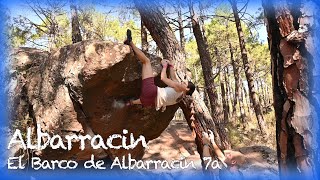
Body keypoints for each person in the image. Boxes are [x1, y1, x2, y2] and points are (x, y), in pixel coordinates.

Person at [124, 29, 195, 111]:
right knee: (143, 100)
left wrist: (165, 66)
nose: (182, 82)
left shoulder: (178, 87)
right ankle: (130, 103)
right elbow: (174, 78)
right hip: (149, 101)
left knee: (146, 61)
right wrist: (171, 66)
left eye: (184, 83)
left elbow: (163, 78)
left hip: (151, 91)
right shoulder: (180, 97)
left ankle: (130, 42)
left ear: (187, 89)